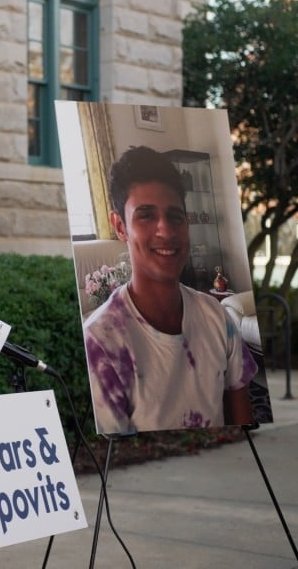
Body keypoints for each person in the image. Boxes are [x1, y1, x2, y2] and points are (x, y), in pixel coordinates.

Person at [83, 145, 256, 435]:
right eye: (146, 215)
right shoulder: (101, 344)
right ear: (120, 226)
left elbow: (242, 417)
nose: (165, 230)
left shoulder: (216, 315)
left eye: (175, 216)